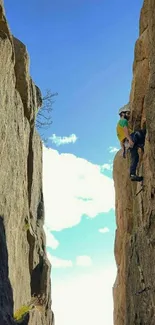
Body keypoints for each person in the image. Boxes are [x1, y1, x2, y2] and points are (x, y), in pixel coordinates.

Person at [116, 103, 146, 182]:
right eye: (127, 113)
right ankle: (142, 144)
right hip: (129, 139)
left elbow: (121, 141)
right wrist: (130, 139)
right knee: (140, 133)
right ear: (122, 114)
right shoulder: (123, 121)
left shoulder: (118, 126)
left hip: (127, 144)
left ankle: (132, 174)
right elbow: (126, 131)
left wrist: (123, 151)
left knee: (135, 157)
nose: (129, 115)